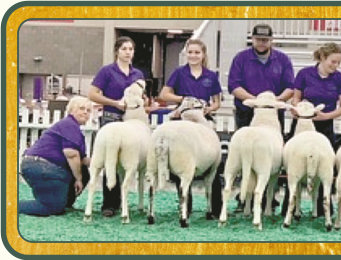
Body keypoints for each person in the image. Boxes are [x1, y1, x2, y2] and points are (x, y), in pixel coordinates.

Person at [228, 24, 295, 212]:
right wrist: (254, 100)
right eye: (258, 39)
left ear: (271, 40)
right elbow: (233, 85)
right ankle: (244, 198)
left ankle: (269, 197)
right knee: (245, 153)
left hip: (272, 115)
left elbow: (290, 86)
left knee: (271, 155)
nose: (262, 43)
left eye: (265, 40)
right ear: (252, 39)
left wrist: (273, 101)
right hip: (247, 112)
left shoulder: (282, 59)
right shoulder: (241, 58)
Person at [282, 42, 341, 217]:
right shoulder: (305, 74)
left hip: (324, 125)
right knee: (294, 162)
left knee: (323, 165)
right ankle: (289, 206)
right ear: (322, 58)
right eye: (333, 62)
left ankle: (321, 208)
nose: (336, 66)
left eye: (338, 63)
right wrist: (298, 109)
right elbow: (296, 98)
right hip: (302, 124)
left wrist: (326, 116)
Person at [159, 38, 223, 217]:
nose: (193, 56)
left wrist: (209, 108)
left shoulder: (211, 76)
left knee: (213, 160)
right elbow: (164, 94)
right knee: (182, 161)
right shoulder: (179, 73)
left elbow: (217, 102)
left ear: (203, 55)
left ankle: (215, 208)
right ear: (186, 54)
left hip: (203, 121)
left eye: (197, 52)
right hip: (183, 119)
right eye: (190, 52)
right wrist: (184, 100)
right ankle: (185, 205)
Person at [88, 36, 145, 217]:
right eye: (124, 49)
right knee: (110, 160)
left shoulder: (138, 74)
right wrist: (113, 102)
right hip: (111, 118)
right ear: (117, 51)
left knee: (127, 162)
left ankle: (124, 200)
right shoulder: (107, 71)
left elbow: (141, 98)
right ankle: (109, 204)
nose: (128, 52)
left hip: (132, 122)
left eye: (131, 49)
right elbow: (92, 94)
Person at [19, 96, 92, 216]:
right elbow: (72, 155)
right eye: (82, 108)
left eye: (88, 110)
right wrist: (78, 179)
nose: (85, 112)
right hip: (43, 167)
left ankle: (63, 202)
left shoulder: (70, 127)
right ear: (71, 110)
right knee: (49, 208)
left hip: (38, 166)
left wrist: (104, 162)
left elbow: (82, 160)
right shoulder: (70, 125)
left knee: (83, 170)